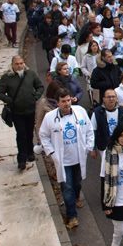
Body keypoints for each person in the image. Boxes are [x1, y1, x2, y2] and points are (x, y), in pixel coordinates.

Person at [39, 88, 94, 229]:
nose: (66, 104)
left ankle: (76, 197)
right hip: (63, 161)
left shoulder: (80, 112)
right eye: (63, 101)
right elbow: (43, 135)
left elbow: (89, 130)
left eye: (68, 100)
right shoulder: (50, 117)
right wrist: (51, 152)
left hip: (79, 157)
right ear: (57, 103)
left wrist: (88, 146)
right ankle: (72, 215)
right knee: (67, 187)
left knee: (77, 183)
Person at [0, 55, 44, 170]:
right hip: (17, 112)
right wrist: (10, 101)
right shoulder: (6, 77)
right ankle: (21, 159)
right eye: (17, 64)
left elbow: (40, 87)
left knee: (29, 132)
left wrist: (35, 97)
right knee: (21, 134)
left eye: (21, 63)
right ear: (12, 65)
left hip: (30, 110)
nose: (19, 66)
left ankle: (30, 152)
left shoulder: (30, 74)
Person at [91, 89, 123, 155]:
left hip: (121, 144)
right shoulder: (97, 112)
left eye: (113, 96)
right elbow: (92, 131)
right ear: (103, 99)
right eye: (109, 97)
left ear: (116, 98)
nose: (111, 99)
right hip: (104, 146)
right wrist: (93, 148)